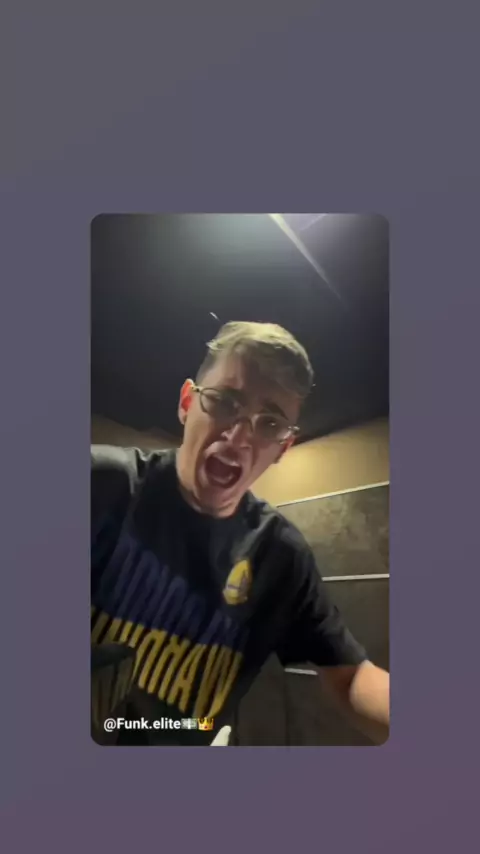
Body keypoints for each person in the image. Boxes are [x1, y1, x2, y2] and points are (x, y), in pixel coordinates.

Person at [91, 321, 389, 746]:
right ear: (187, 402)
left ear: (283, 447)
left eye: (270, 424)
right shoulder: (100, 484)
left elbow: (349, 676)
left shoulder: (280, 556)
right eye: (225, 401)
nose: (239, 436)